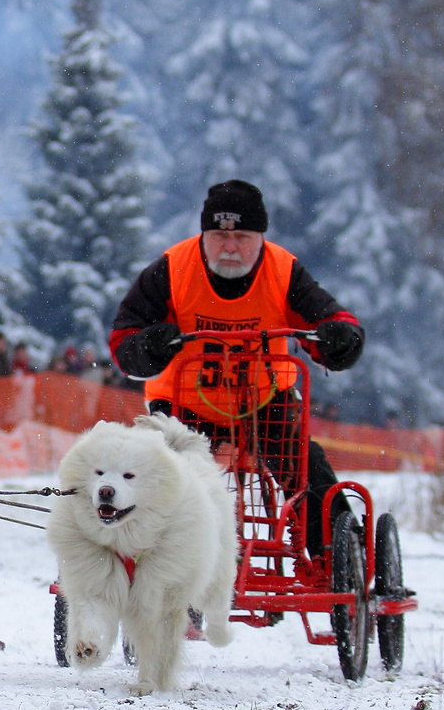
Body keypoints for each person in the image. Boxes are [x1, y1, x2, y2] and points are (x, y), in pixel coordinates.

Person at [110, 179, 364, 555]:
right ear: (204, 235)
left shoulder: (283, 270)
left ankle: (338, 556)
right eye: (218, 235)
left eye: (242, 236)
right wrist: (149, 345)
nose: (229, 247)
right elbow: (122, 341)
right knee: (161, 477)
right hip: (184, 405)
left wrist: (341, 338)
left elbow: (332, 322)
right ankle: (148, 558)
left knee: (305, 466)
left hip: (265, 402)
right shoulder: (173, 268)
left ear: (261, 237)